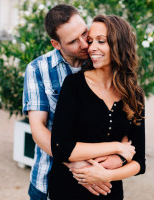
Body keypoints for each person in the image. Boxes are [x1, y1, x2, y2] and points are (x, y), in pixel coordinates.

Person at [23, 5, 126, 200]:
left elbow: (123, 120)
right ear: (56, 44)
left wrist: (118, 157)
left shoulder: (103, 62)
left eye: (84, 33)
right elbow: (38, 131)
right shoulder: (38, 69)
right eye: (73, 41)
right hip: (48, 179)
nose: (85, 44)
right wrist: (75, 163)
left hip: (101, 178)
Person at [49, 15, 146, 200]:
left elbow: (139, 161)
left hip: (109, 191)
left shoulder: (134, 94)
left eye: (101, 41)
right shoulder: (74, 85)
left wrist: (107, 175)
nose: (91, 48)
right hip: (68, 189)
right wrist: (117, 147)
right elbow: (61, 147)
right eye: (91, 40)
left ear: (120, 45)